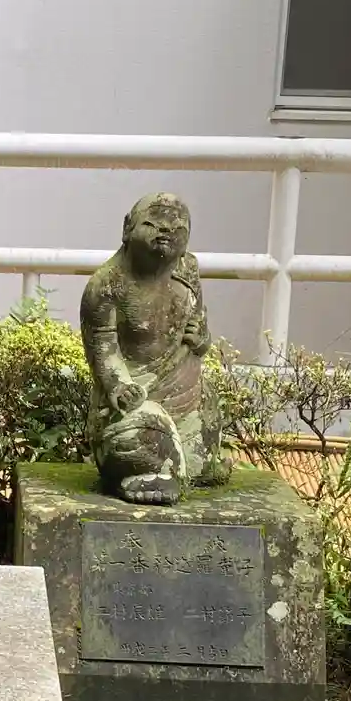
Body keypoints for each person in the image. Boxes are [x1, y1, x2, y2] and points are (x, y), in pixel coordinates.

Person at [81, 192, 231, 505]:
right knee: (137, 437)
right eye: (152, 225)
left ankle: (184, 466)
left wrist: (201, 339)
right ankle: (151, 472)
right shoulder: (106, 285)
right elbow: (103, 350)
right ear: (127, 228)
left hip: (186, 393)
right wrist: (120, 387)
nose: (166, 232)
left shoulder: (187, 269)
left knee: (203, 450)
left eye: (178, 230)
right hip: (136, 399)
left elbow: (197, 323)